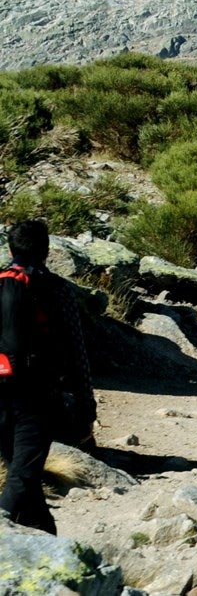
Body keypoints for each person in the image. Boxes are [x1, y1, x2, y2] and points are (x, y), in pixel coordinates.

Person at [0, 219, 95, 533]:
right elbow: (77, 352)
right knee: (22, 476)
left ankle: (45, 537)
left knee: (22, 472)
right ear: (47, 250)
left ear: (11, 248)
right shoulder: (55, 288)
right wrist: (85, 408)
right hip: (35, 394)